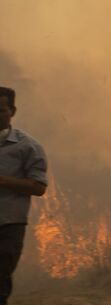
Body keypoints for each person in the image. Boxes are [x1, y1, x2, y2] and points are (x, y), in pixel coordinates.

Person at [0, 87, 48, 305]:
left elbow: (38, 187)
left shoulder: (27, 146)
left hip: (8, 224)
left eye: (0, 110)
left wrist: (3, 180)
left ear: (12, 111)